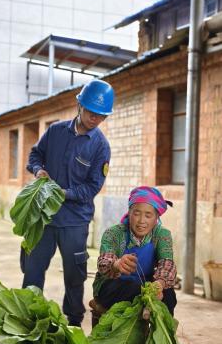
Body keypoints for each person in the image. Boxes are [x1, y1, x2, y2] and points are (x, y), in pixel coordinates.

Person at [21, 79, 115, 327]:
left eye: (102, 116)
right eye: (92, 112)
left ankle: (73, 320)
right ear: (79, 106)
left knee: (75, 275)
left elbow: (93, 187)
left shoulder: (100, 147)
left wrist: (63, 193)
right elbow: (35, 154)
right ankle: (28, 316)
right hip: (43, 217)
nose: (95, 119)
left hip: (74, 221)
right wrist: (39, 169)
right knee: (32, 268)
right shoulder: (55, 131)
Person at [91, 186, 177, 323]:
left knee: (169, 296)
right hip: (114, 285)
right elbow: (104, 261)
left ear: (156, 218)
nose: (141, 220)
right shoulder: (114, 233)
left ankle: (160, 337)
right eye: (136, 213)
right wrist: (116, 265)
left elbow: (167, 264)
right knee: (133, 289)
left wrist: (158, 285)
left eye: (148, 215)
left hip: (147, 284)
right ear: (129, 212)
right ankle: (146, 307)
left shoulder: (162, 235)